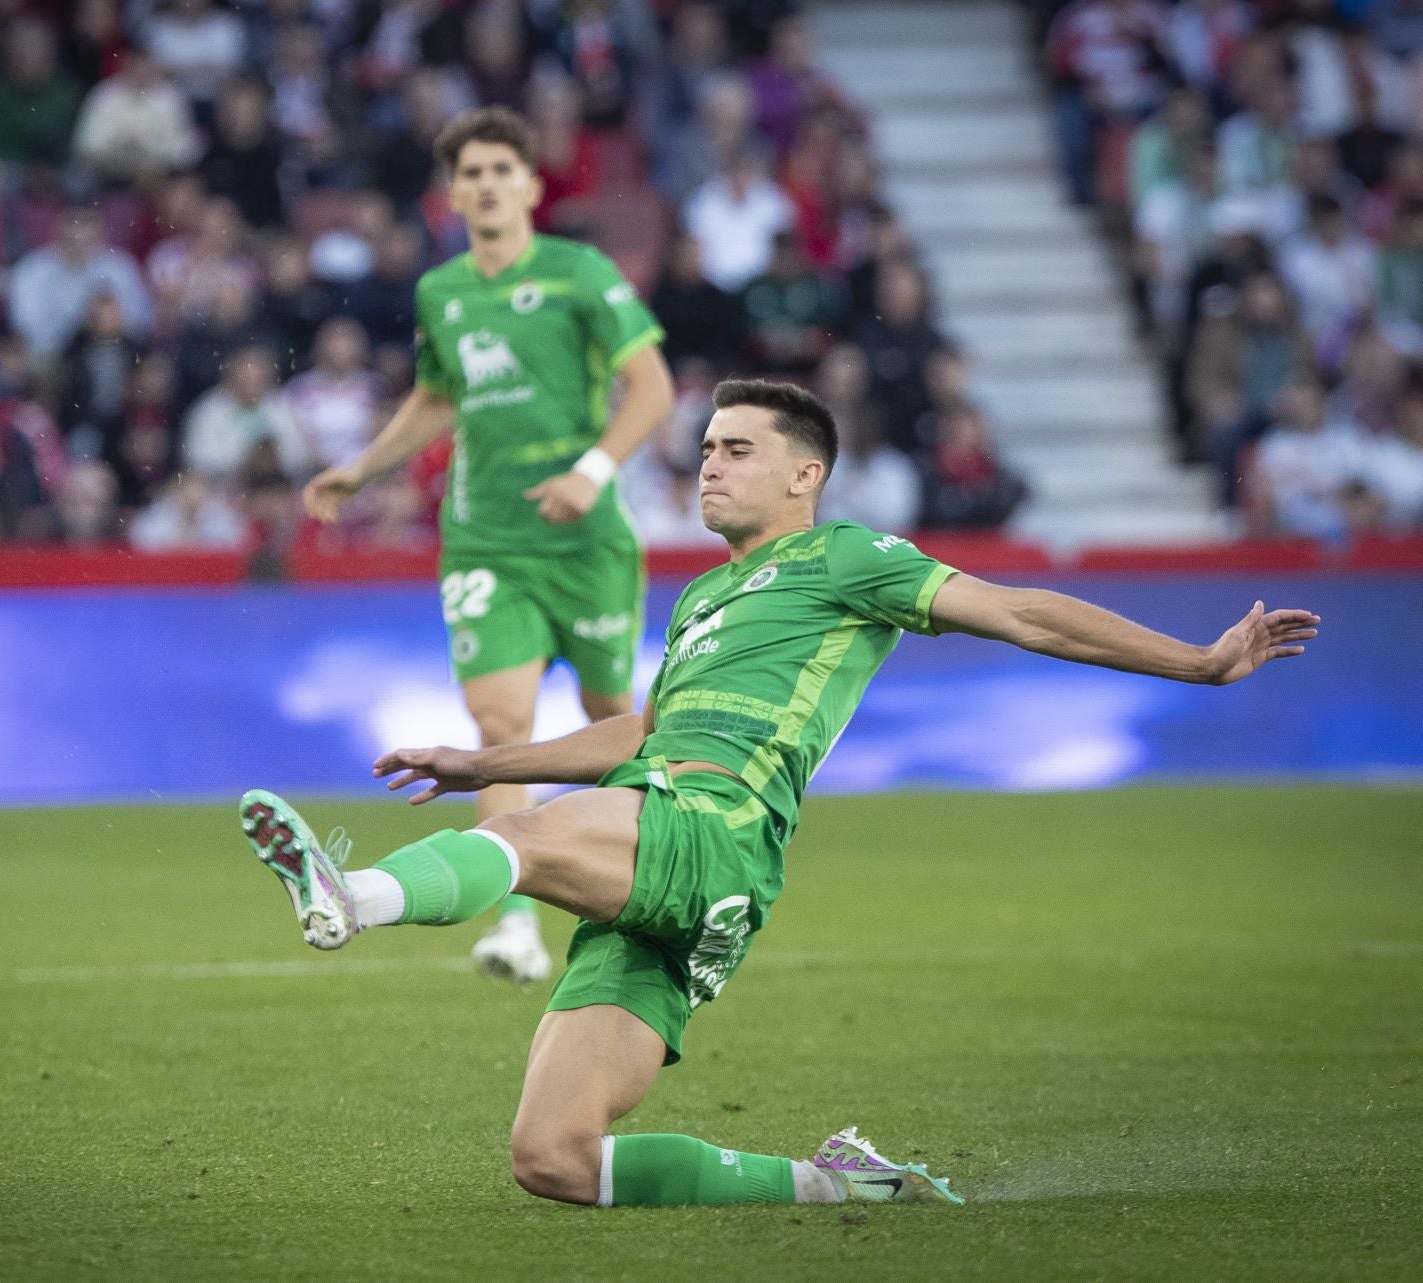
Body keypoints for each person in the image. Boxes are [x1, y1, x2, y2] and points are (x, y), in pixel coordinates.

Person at [241, 376, 1319, 1210]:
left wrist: (1198, 659)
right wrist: (488, 759)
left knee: (527, 837)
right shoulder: (708, 594)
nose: (708, 465)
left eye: (737, 449)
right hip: (672, 850)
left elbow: (1024, 612)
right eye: (706, 448)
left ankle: (357, 893)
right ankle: (832, 1180)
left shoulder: (850, 557)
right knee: (554, 1157)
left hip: (713, 829)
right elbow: (647, 732)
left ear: (805, 475)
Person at [301, 106, 674, 985]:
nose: (487, 183)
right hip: (485, 544)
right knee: (501, 726)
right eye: (471, 172)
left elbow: (651, 386)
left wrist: (592, 468)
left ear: (533, 186)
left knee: (611, 714)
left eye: (503, 169)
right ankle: (517, 922)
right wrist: (361, 470)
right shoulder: (443, 291)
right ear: (454, 189)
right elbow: (436, 399)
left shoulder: (581, 273)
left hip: (586, 543)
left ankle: (655, 881)